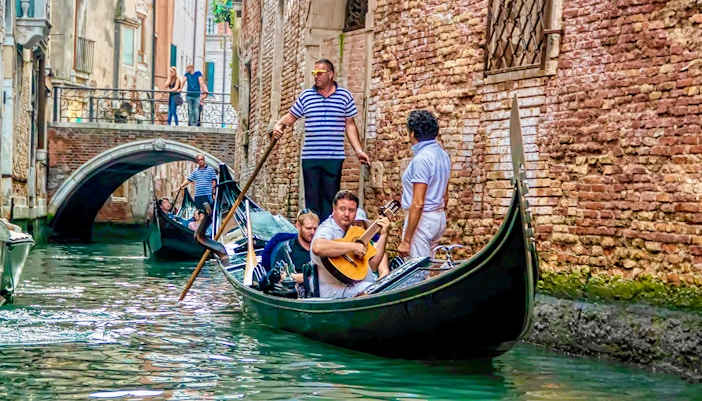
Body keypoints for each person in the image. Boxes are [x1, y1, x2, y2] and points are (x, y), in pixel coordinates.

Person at [273, 58, 370, 220]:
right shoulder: (306, 96)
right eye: (314, 73)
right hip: (310, 158)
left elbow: (350, 125)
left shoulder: (344, 96)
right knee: (312, 203)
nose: (316, 76)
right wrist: (278, 125)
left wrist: (358, 150)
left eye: (319, 73)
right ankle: (312, 237)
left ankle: (327, 235)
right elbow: (290, 117)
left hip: (333, 157)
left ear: (330, 75)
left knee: (330, 200)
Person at [310, 190, 390, 298]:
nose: (347, 214)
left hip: (354, 285)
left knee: (383, 288)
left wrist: (384, 235)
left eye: (351, 210)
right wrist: (353, 246)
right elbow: (318, 247)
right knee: (375, 292)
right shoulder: (328, 228)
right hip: (332, 289)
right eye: (342, 209)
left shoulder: (353, 232)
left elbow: (373, 265)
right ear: (334, 210)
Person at [397, 110, 451, 259]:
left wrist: (407, 240)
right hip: (438, 218)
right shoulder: (443, 155)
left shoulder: (422, 159)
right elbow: (445, 196)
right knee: (430, 270)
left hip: (422, 221)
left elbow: (418, 203)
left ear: (412, 133)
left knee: (417, 274)